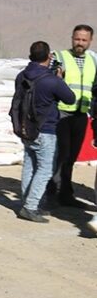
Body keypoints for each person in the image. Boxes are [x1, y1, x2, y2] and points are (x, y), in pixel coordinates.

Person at [14, 42, 75, 223]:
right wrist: (59, 78)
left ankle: (28, 203)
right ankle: (31, 206)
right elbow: (70, 99)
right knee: (45, 169)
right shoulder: (51, 80)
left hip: (26, 128)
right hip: (46, 130)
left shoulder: (21, 76)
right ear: (48, 56)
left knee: (30, 166)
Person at [48, 24, 97, 208]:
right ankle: (57, 193)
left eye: (84, 40)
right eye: (77, 39)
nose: (80, 43)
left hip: (81, 114)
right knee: (61, 154)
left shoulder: (93, 61)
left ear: (90, 41)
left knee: (72, 156)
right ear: (72, 38)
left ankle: (63, 192)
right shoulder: (61, 57)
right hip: (62, 112)